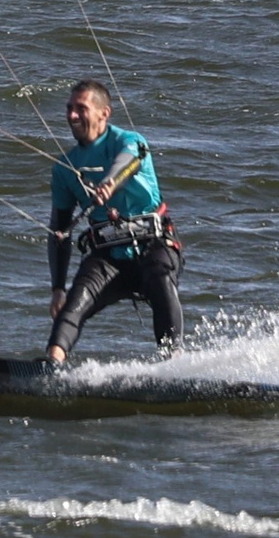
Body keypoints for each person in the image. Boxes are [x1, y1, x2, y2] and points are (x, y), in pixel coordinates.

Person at [46, 78, 181, 361]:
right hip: (107, 256)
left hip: (153, 246)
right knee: (74, 303)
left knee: (160, 278)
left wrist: (109, 183)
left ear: (103, 113)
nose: (71, 115)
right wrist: (57, 287)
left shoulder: (130, 141)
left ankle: (173, 361)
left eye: (80, 108)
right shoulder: (64, 167)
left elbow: (128, 163)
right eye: (69, 108)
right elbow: (59, 229)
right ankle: (51, 364)